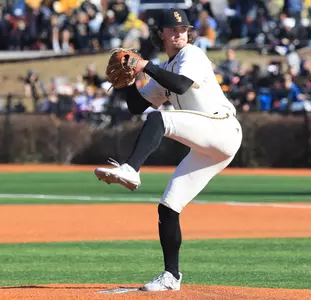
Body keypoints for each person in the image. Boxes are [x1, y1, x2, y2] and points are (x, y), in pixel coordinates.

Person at [94, 8, 242, 292]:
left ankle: (131, 170)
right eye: (172, 29)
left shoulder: (192, 55)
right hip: (208, 146)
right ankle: (171, 276)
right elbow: (139, 106)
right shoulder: (167, 67)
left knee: (160, 119)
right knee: (169, 206)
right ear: (160, 33)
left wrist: (145, 65)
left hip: (222, 129)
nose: (179, 33)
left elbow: (180, 84)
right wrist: (125, 83)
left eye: (183, 28)